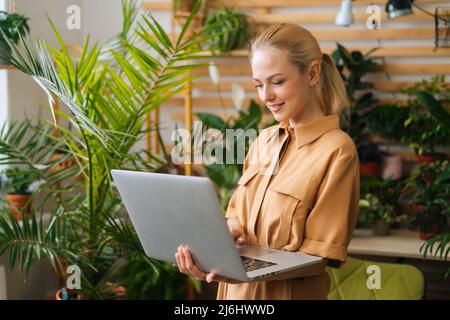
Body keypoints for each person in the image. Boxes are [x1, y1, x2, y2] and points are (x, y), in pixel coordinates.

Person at [175, 23, 360, 300]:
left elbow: (321, 256)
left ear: (312, 73)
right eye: (259, 85)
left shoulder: (338, 151)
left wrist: (245, 269)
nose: (265, 96)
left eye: (277, 81)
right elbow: (236, 215)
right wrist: (229, 235)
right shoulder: (264, 140)